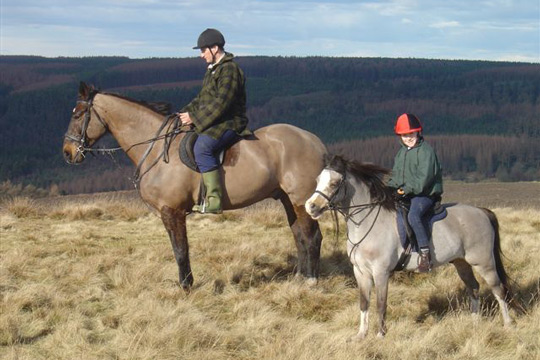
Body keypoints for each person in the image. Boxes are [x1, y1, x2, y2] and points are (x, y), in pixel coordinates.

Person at [178, 28, 252, 214]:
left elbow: (221, 104)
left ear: (215, 48)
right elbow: (202, 99)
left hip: (231, 122)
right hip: (217, 120)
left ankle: (214, 200)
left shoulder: (230, 70)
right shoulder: (213, 70)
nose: (202, 55)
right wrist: (183, 113)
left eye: (203, 51)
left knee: (202, 147)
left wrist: (194, 117)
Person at [387, 113, 443, 273]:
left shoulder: (426, 152)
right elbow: (397, 174)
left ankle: (425, 254)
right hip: (407, 194)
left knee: (413, 216)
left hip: (425, 194)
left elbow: (423, 179)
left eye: (411, 134)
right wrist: (391, 188)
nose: (408, 138)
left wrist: (404, 190)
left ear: (418, 132)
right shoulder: (401, 153)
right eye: (404, 135)